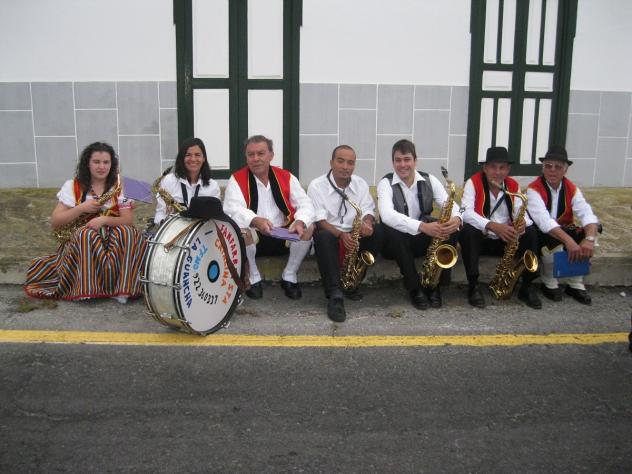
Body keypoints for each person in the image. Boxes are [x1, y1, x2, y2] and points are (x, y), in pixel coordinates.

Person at [24, 142, 147, 302]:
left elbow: (128, 219)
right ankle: (85, 289)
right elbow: (56, 221)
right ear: (87, 163)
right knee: (86, 235)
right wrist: (81, 208)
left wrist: (104, 219)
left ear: (112, 164)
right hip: (82, 238)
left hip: (114, 237)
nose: (101, 167)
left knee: (128, 232)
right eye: (96, 162)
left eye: (106, 162)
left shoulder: (122, 185)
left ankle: (124, 289)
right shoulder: (72, 185)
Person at [223, 135, 315, 300]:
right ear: (246, 157)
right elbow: (232, 209)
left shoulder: (286, 177)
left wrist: (300, 221)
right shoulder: (236, 179)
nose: (255, 158)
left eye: (261, 153)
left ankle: (289, 275)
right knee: (241, 230)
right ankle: (254, 277)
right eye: (251, 154)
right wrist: (255, 220)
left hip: (284, 235)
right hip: (255, 238)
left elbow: (305, 203)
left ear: (271, 155)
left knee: (309, 227)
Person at [377, 139, 461, 310]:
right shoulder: (385, 183)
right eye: (398, 160)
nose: (402, 165)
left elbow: (451, 205)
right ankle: (414, 288)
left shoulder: (430, 180)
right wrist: (423, 227)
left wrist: (457, 219)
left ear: (415, 160)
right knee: (393, 230)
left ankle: (435, 284)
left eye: (407, 159)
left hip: (420, 240)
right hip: (395, 245)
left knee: (450, 228)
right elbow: (387, 215)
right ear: (393, 162)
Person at [307, 145, 384, 322]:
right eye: (340, 161)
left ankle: (353, 282)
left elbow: (368, 210)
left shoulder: (360, 183)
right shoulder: (317, 186)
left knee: (379, 231)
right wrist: (341, 235)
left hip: (354, 231)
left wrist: (367, 222)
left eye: (350, 163)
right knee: (323, 237)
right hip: (330, 232)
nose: (345, 167)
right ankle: (335, 295)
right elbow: (319, 220)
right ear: (331, 163)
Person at [459, 146, 541, 309]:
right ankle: (473, 286)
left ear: (508, 169)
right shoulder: (473, 182)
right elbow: (465, 212)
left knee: (531, 233)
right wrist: (491, 225)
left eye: (502, 168)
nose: (498, 172)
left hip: (506, 240)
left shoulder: (513, 185)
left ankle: (527, 286)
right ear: (485, 168)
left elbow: (521, 211)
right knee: (468, 231)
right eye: (493, 167)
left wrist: (523, 223)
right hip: (483, 239)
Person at [526, 145, 600, 305]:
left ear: (565, 170)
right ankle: (549, 282)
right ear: (543, 168)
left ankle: (575, 283)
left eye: (558, 167)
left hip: (563, 230)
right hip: (542, 234)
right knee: (553, 242)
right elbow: (544, 222)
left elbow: (587, 214)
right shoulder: (533, 190)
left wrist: (590, 239)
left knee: (589, 235)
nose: (552, 170)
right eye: (548, 166)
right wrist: (569, 241)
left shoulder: (572, 189)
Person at [153, 137, 221, 224]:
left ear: (204, 158)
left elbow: (216, 219)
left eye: (197, 155)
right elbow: (160, 213)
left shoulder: (213, 186)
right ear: (182, 158)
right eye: (188, 155)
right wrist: (164, 224)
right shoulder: (168, 181)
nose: (193, 159)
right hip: (174, 229)